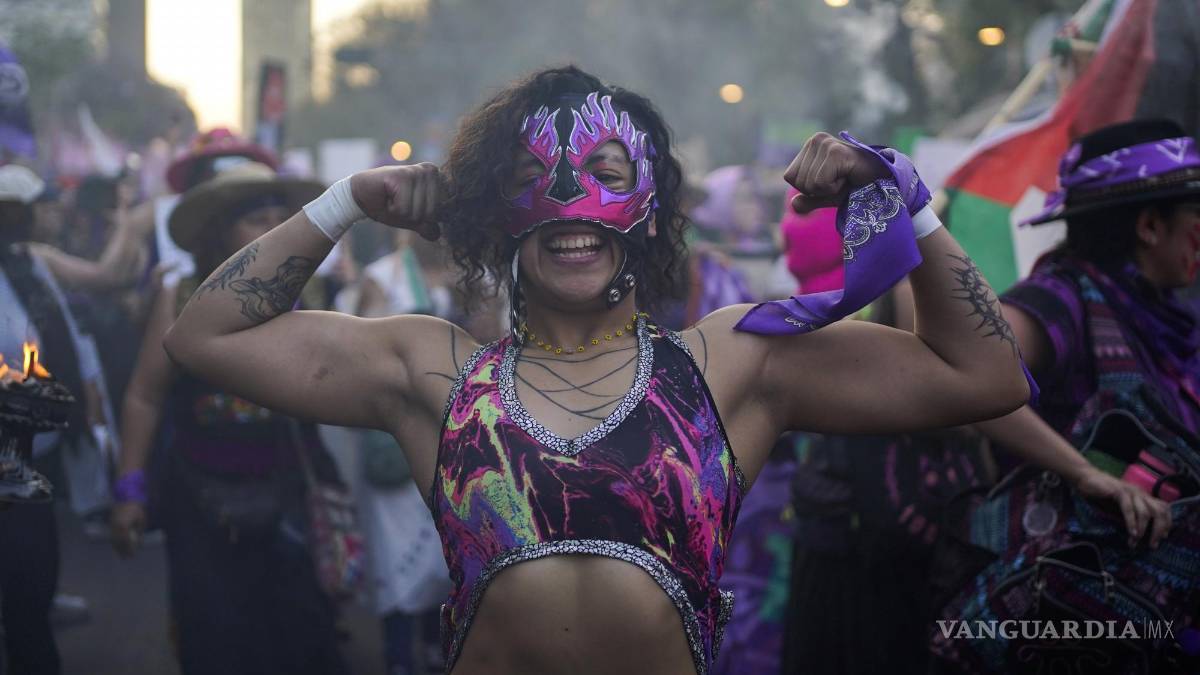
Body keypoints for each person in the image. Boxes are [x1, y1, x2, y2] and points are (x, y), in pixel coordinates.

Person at [163, 66, 1032, 675]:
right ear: (501, 218)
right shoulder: (430, 371)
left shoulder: (732, 364)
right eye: (536, 178)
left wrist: (901, 197)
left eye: (605, 174)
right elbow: (205, 338)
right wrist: (346, 201)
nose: (572, 203)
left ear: (648, 214)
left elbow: (986, 376)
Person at [933, 119, 1200, 673]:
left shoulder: (1165, 312)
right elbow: (963, 372)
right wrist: (1085, 473)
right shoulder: (1061, 300)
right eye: (1196, 219)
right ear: (1150, 225)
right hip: (1070, 627)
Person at [107, 160, 349, 675]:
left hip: (290, 491)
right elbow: (144, 396)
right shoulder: (181, 296)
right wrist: (130, 489)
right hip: (200, 498)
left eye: (279, 218)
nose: (271, 230)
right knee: (215, 638)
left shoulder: (302, 298)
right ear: (221, 233)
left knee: (300, 637)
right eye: (254, 219)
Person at [0, 164, 108, 675]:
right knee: (24, 574)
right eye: (41, 204)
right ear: (14, 214)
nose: (52, 212)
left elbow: (64, 328)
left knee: (35, 566)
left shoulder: (29, 263)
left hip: (37, 449)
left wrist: (86, 386)